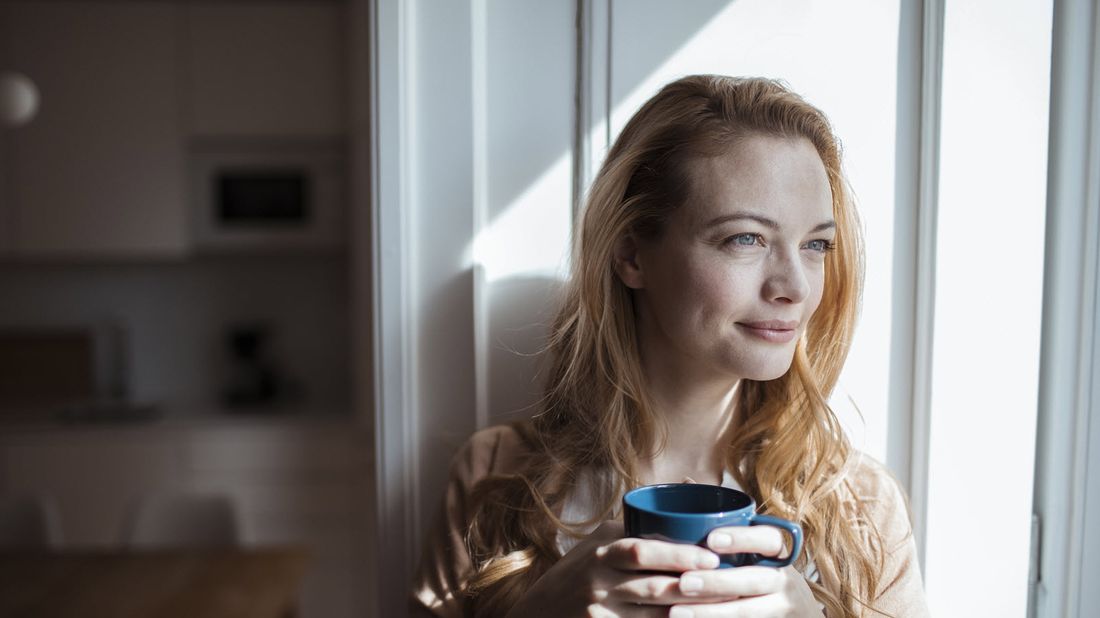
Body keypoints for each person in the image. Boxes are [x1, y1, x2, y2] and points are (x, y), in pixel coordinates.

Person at [412, 75, 930, 617]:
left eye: (816, 244)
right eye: (746, 238)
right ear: (631, 254)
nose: (796, 288)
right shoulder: (496, 476)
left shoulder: (860, 508)